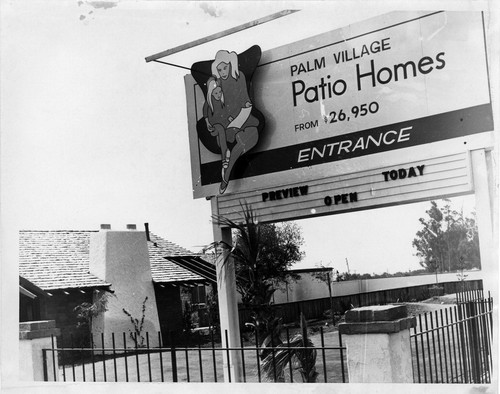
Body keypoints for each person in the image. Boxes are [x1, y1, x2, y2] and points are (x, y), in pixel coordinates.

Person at [211, 50, 260, 194]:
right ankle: (226, 174)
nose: (223, 72)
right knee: (241, 140)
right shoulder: (217, 84)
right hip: (228, 125)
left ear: (230, 65)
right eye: (219, 70)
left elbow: (245, 98)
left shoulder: (239, 76)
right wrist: (227, 119)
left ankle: (226, 173)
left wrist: (246, 107)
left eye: (225, 68)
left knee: (253, 135)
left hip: (244, 118)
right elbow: (217, 107)